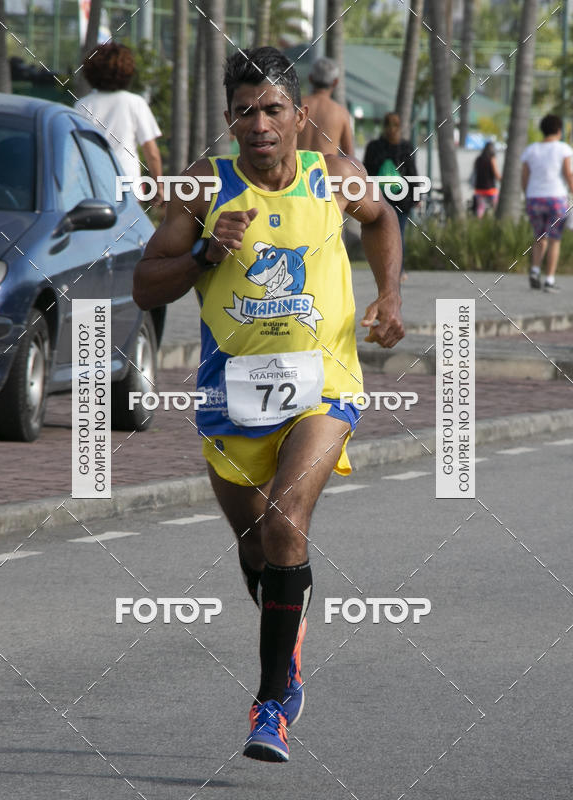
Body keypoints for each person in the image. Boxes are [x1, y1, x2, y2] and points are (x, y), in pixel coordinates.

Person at [133, 46, 404, 763]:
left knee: (287, 522)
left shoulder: (333, 178)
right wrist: (204, 258)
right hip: (232, 396)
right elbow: (144, 286)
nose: (259, 124)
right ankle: (292, 617)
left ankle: (273, 701)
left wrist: (392, 295)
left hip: (326, 385)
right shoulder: (202, 188)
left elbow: (382, 219)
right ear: (229, 120)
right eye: (244, 111)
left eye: (273, 109)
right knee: (258, 546)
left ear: (299, 114)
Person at [74, 42, 164, 205]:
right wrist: (158, 186)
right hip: (127, 180)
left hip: (93, 181)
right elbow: (151, 152)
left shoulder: (83, 105)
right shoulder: (135, 102)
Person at [363, 112, 419, 282]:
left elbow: (366, 172)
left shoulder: (374, 147)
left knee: (380, 235)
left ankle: (384, 271)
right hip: (402, 198)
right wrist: (416, 196)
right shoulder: (406, 147)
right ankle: (399, 271)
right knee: (398, 234)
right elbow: (412, 173)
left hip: (380, 198)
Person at [521, 113, 573, 293]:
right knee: (555, 240)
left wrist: (528, 195)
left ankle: (535, 270)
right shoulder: (563, 149)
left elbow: (524, 177)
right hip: (556, 198)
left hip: (534, 198)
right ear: (559, 130)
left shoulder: (531, 149)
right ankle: (549, 280)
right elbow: (568, 174)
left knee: (539, 236)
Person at [297, 56, 354, 156]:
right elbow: (349, 155)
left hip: (296, 169)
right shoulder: (341, 113)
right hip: (325, 170)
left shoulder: (297, 105)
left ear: (310, 78)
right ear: (335, 82)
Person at [472, 141, 500, 218]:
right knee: (496, 207)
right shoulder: (492, 159)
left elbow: (474, 173)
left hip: (479, 189)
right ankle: (497, 222)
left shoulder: (478, 159)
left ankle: (478, 225)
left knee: (480, 209)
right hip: (490, 189)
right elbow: (496, 175)